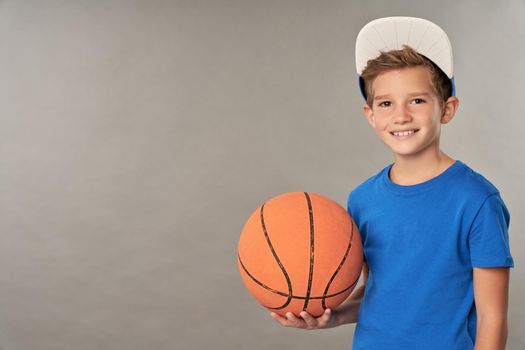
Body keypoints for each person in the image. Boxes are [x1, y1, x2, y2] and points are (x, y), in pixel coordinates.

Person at [270, 17, 514, 349]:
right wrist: (334, 316)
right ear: (371, 115)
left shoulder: (477, 201)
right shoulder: (362, 200)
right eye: (386, 103)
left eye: (417, 100)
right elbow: (380, 295)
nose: (401, 115)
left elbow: (492, 318)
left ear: (447, 109)